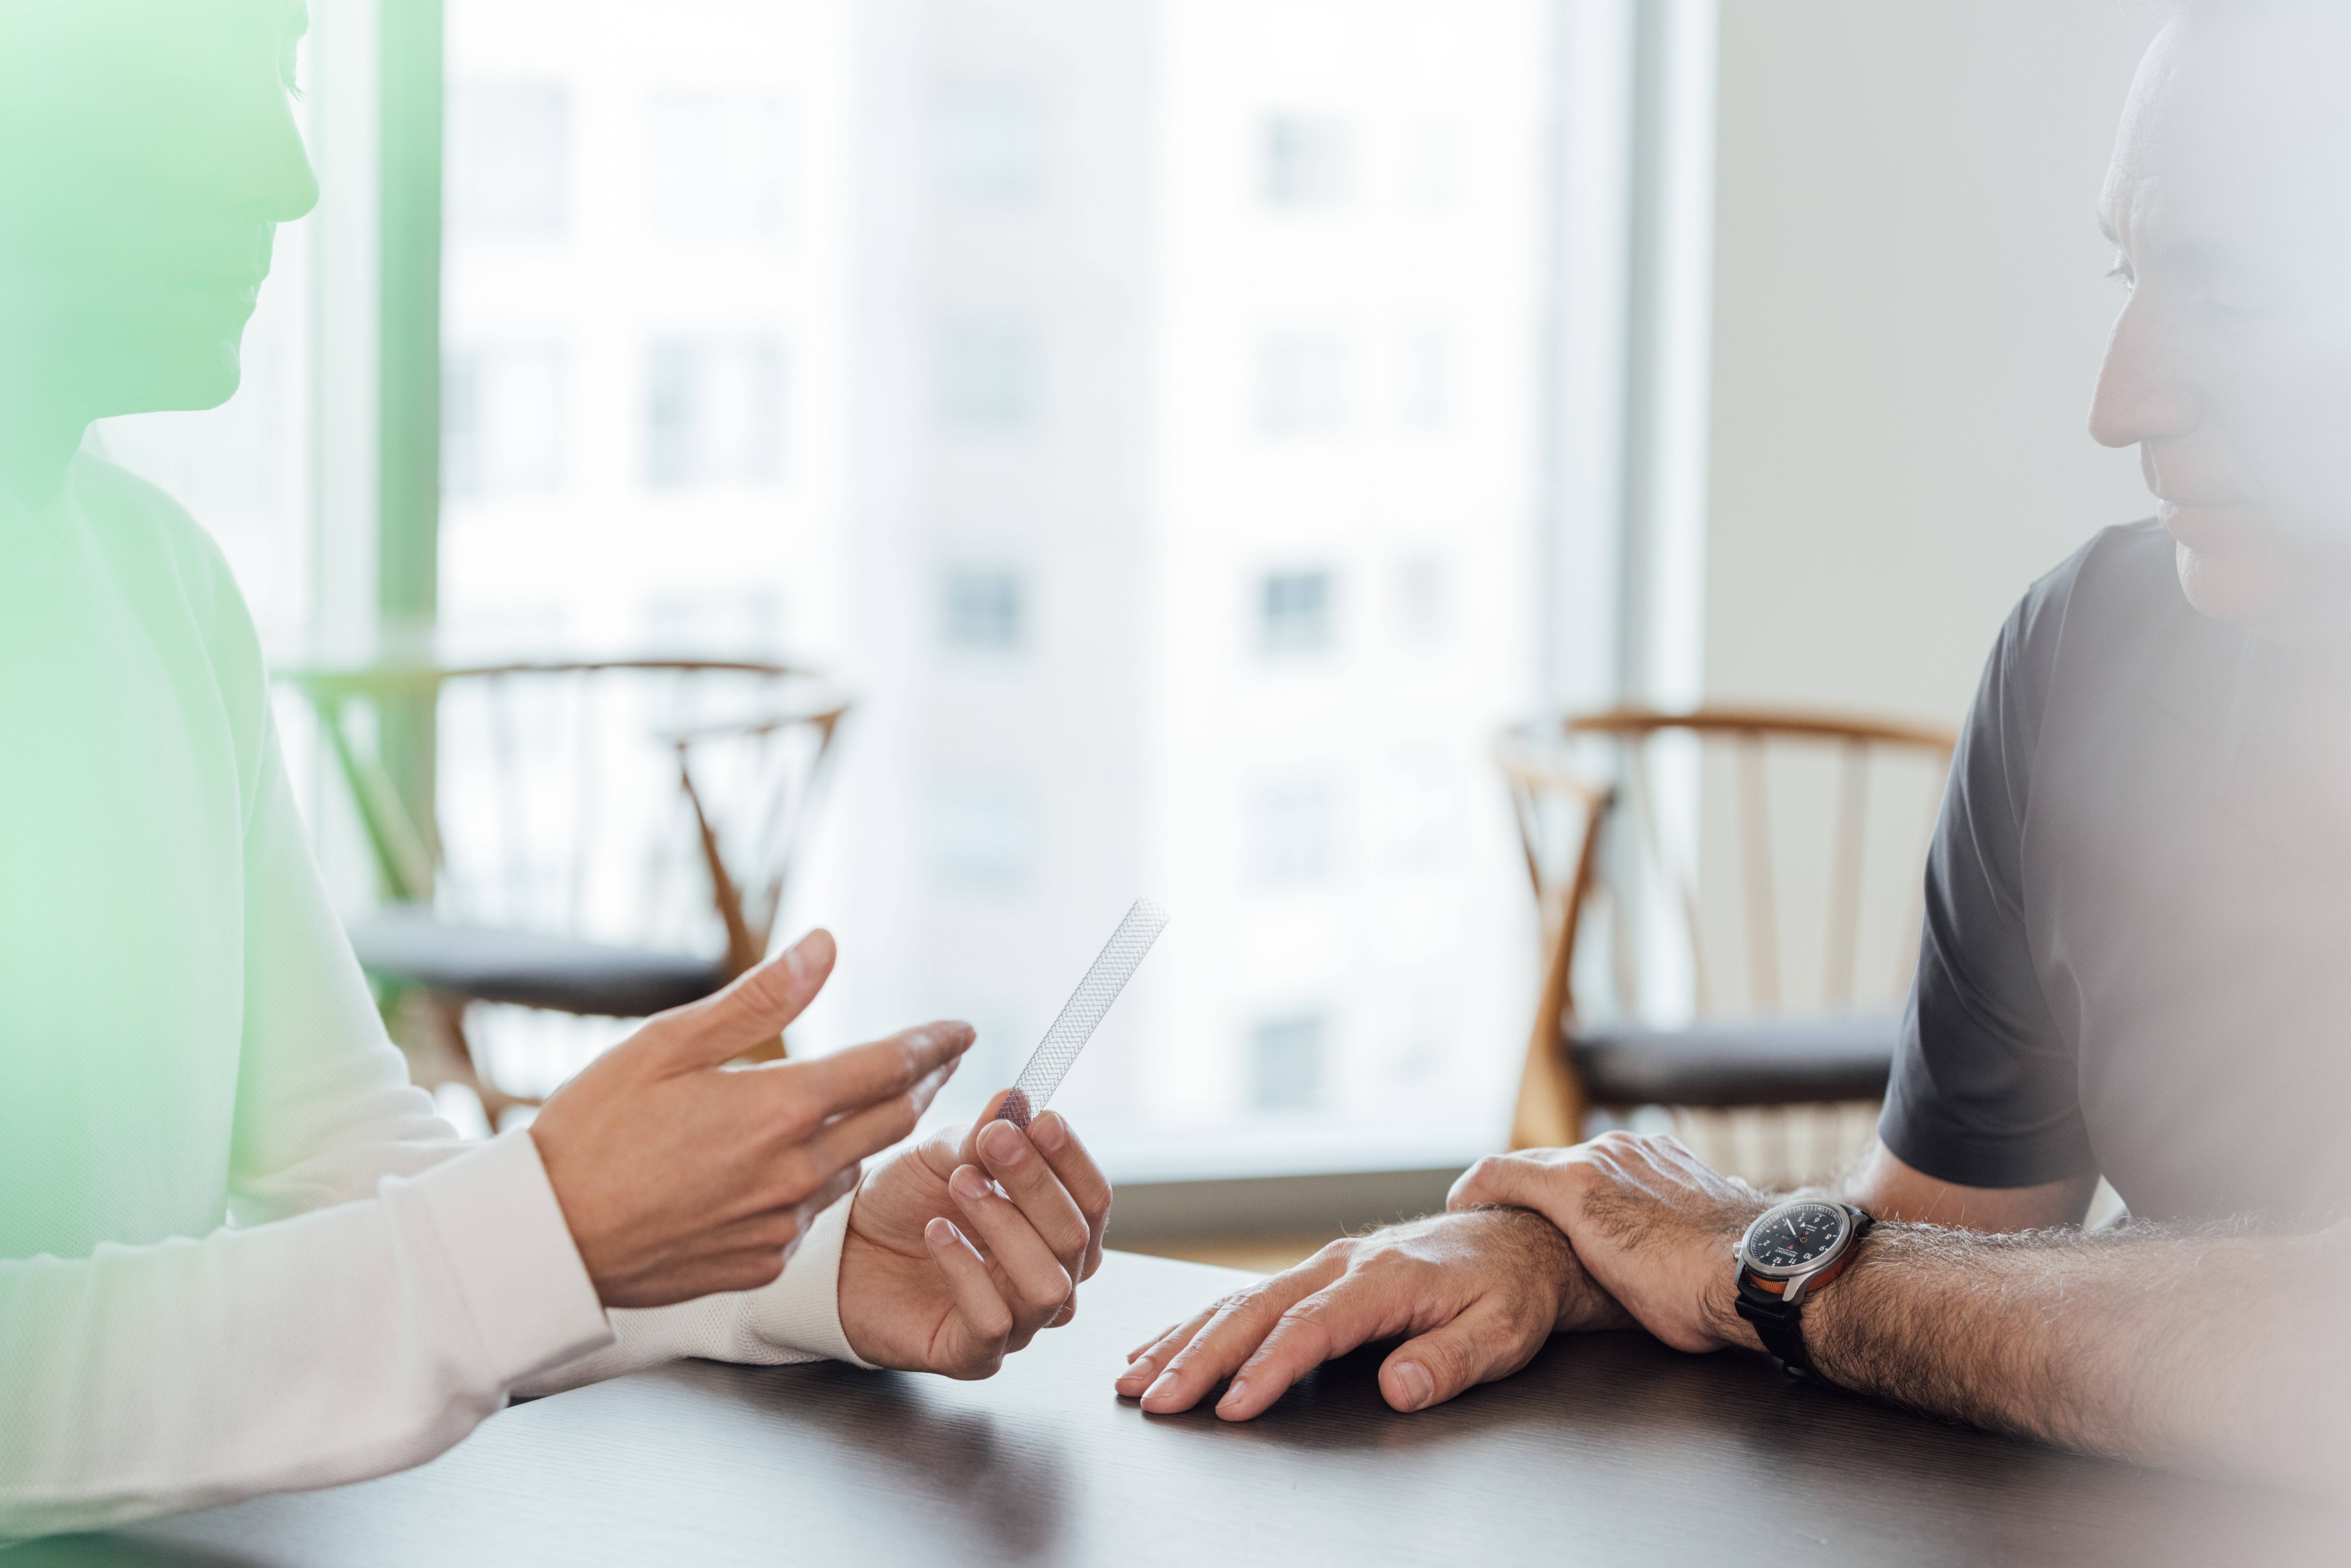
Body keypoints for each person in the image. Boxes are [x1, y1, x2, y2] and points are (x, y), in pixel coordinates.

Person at [1118, 0, 2351, 1495]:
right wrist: (1580, 1255)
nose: (2121, 402)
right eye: (2130, 270)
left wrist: (1761, 1256)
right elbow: (1928, 1279)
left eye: (2235, 293)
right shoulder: (2086, 658)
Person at [0, 0, 1110, 1539]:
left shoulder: (162, 581)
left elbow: (352, 1166)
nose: (294, 178)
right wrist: (552, 1217)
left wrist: (805, 1258)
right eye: (215, 90)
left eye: (290, 79)